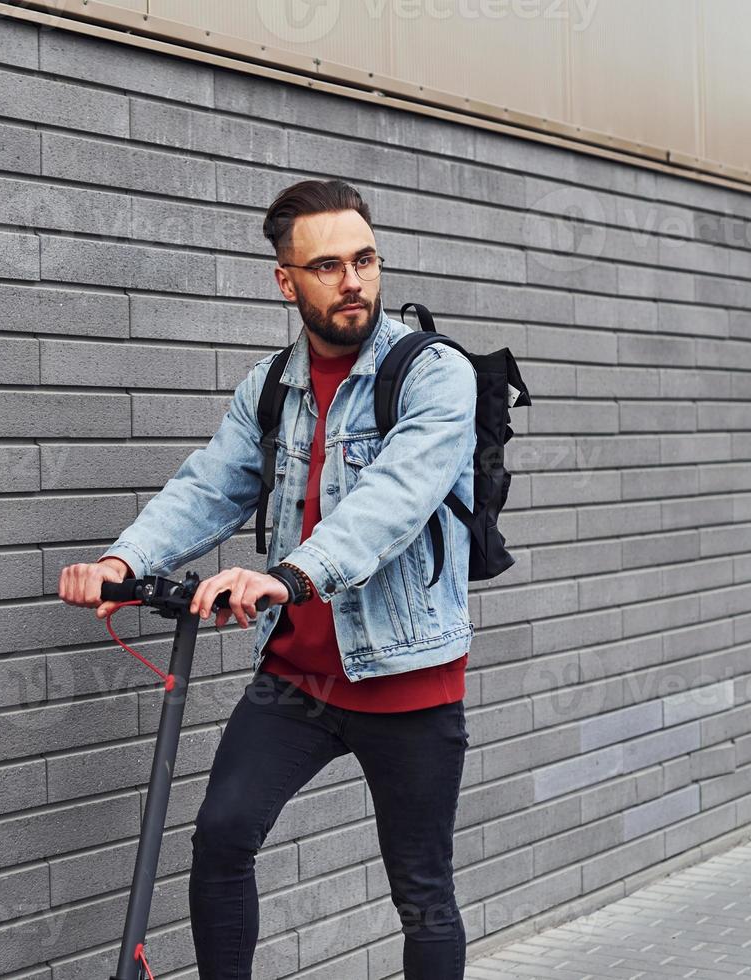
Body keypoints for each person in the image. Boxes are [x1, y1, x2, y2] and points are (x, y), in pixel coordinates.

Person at [58, 178, 477, 979]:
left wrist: (288, 575)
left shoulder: (433, 375)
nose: (352, 281)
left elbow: (393, 503)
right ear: (286, 282)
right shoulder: (272, 387)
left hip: (408, 677)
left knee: (421, 891)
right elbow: (208, 488)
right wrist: (123, 562)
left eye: (364, 259)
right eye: (327, 267)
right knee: (221, 839)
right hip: (298, 681)